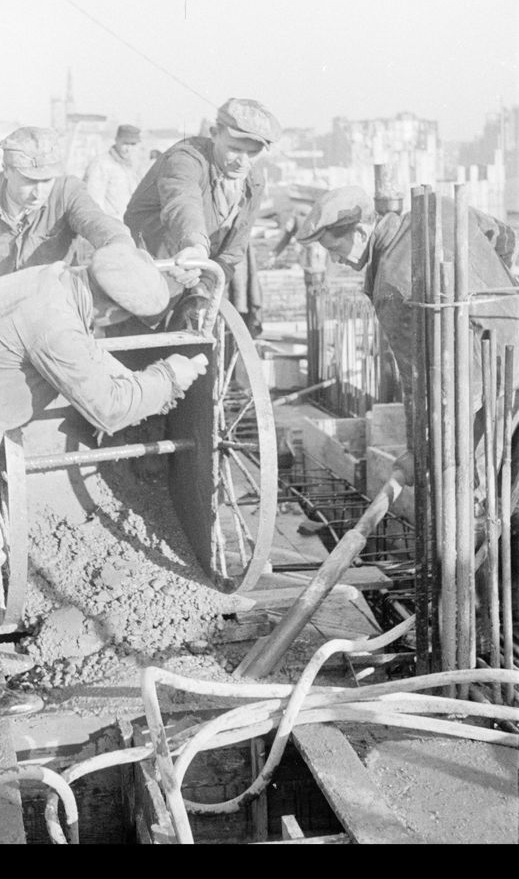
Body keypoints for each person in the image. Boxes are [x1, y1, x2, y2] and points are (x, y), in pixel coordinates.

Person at [0, 243, 208, 716]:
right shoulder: (53, 322)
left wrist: (143, 378)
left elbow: (86, 354)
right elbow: (108, 407)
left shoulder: (54, 281)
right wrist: (170, 376)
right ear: (108, 306)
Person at [297, 186, 519, 611]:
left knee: (473, 512)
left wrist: (420, 451)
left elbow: (422, 384)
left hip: (481, 397)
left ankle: (476, 616)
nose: (336, 260)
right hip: (509, 361)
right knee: (507, 500)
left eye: (336, 246)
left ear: (362, 230)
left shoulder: (393, 286)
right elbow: (502, 235)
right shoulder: (437, 209)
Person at [124, 98, 282, 330]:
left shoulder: (254, 181)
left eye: (253, 153)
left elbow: (232, 252)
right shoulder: (185, 159)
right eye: (235, 149)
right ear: (214, 133)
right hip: (143, 281)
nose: (243, 162)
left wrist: (203, 286)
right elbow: (182, 200)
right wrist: (195, 247)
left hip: (189, 287)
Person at [0, 127, 132, 306]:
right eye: (29, 181)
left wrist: (120, 246)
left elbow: (96, 223)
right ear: (7, 171)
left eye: (46, 181)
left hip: (54, 309)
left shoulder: (67, 192)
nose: (39, 192)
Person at [84, 124, 142, 222]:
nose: (128, 149)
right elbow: (93, 204)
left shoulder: (130, 166)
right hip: (111, 228)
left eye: (133, 144)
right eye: (125, 143)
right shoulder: (101, 164)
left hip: (130, 226)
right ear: (116, 140)